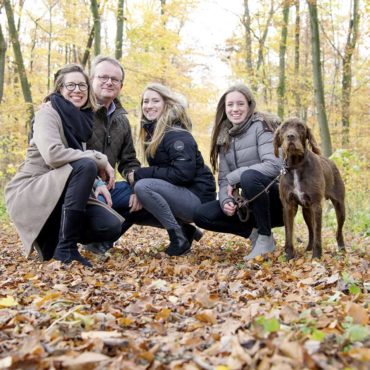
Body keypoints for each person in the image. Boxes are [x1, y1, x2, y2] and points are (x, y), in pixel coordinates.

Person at [5, 64, 123, 267]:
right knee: (87, 164)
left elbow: (75, 159)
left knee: (110, 226)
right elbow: (54, 155)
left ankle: (53, 240)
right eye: (71, 85)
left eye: (82, 85)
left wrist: (97, 183)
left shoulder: (82, 119)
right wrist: (100, 159)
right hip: (33, 188)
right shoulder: (48, 113)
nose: (77, 90)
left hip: (58, 190)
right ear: (59, 89)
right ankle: (66, 247)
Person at [193, 84, 284, 260]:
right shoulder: (224, 137)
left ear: (249, 105)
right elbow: (224, 179)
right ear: (224, 108)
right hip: (249, 203)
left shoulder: (263, 126)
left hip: (276, 201)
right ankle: (256, 235)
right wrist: (226, 200)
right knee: (201, 214)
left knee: (248, 177)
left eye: (240, 104)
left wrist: (236, 176)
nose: (235, 109)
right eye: (230, 105)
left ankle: (265, 236)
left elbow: (274, 166)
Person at [129, 83, 216, 256]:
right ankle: (185, 230)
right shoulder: (155, 132)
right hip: (183, 194)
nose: (149, 105)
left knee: (143, 187)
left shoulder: (177, 135)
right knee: (136, 196)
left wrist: (140, 174)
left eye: (155, 101)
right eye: (146, 101)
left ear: (166, 104)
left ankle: (178, 239)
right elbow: (163, 172)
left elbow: (182, 174)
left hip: (198, 199)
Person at [84, 56, 143, 254]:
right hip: (79, 187)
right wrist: (95, 183)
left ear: (121, 86)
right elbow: (69, 155)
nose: (109, 82)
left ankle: (101, 244)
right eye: (103, 77)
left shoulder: (122, 121)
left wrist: (137, 185)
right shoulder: (79, 112)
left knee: (146, 192)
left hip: (107, 189)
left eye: (114, 79)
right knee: (104, 218)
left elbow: (129, 160)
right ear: (92, 79)